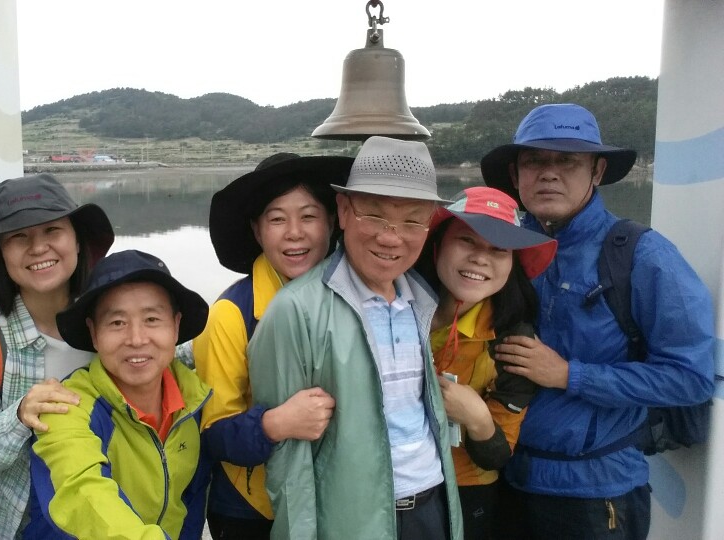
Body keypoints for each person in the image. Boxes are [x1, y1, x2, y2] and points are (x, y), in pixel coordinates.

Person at [481, 103, 715, 539]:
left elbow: (691, 379)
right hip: (500, 481)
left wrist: (569, 375)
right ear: (515, 175)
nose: (549, 173)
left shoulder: (643, 255)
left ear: (597, 170)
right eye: (534, 160)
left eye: (567, 160)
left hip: (596, 496)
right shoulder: (495, 249)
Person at [248, 136, 463, 540]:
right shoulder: (295, 310)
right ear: (344, 211)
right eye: (375, 216)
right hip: (352, 522)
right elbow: (288, 461)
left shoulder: (421, 300)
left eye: (412, 221)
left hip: (432, 507)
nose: (391, 237)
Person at [193, 153, 351, 539]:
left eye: (309, 216)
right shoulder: (230, 315)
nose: (294, 233)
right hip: (252, 508)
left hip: (334, 494)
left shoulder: (354, 299)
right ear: (257, 230)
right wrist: (275, 424)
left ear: (333, 221)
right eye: (277, 219)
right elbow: (213, 432)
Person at [0, 173, 114, 539]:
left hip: (127, 513)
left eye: (53, 230)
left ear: (77, 239)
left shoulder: (118, 316)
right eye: (18, 237)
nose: (38, 248)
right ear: (1, 253)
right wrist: (21, 414)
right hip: (28, 525)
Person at [24, 250, 213, 540]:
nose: (136, 339)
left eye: (152, 319)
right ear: (94, 333)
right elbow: (84, 495)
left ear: (176, 325)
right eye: (117, 323)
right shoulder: (66, 408)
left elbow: (190, 501)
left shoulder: (194, 402)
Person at [414, 186, 556, 539]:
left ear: (513, 264)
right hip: (392, 482)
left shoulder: (512, 341)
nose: (481, 258)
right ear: (437, 245)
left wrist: (476, 417)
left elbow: (498, 454)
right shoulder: (394, 307)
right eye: (467, 241)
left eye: (499, 250)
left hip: (466, 491)